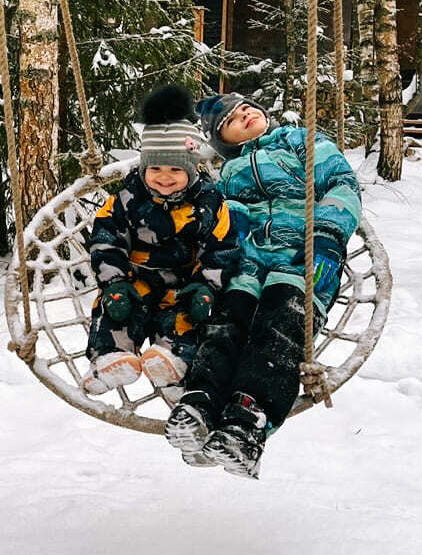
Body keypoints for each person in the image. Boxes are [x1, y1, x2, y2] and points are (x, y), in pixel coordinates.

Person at [163, 92, 361, 478]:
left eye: (247, 108)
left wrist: (325, 237)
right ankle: (200, 402)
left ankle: (248, 420)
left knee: (279, 327)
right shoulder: (228, 174)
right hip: (246, 262)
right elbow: (216, 218)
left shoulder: (299, 141)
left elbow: (341, 183)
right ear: (225, 141)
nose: (246, 114)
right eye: (233, 119)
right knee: (224, 323)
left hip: (301, 255)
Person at [83, 86, 241, 433]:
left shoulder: (210, 204)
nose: (164, 177)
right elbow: (106, 240)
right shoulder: (127, 198)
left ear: (192, 168)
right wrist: (114, 282)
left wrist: (206, 287)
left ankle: (171, 361)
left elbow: (222, 249)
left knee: (188, 321)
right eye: (155, 168)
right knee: (114, 310)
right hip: (134, 279)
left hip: (183, 285)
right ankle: (111, 358)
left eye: (175, 169)